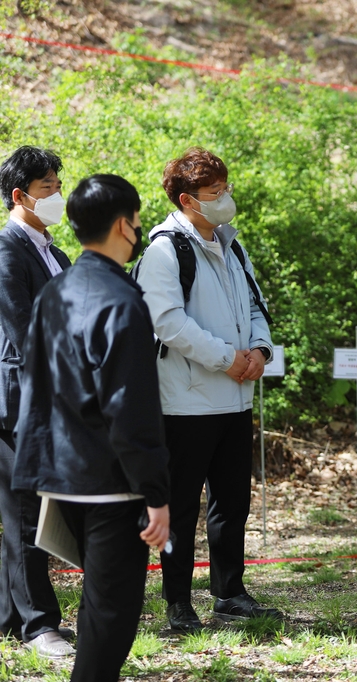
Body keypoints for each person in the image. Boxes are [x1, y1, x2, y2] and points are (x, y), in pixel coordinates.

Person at [13, 174, 171, 682]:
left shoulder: (55, 289)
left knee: (99, 608)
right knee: (111, 613)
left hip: (58, 471)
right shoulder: (122, 302)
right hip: (110, 482)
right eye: (139, 220)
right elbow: (131, 409)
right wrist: (155, 492)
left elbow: (34, 384)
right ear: (124, 225)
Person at [133, 147, 279, 633]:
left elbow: (256, 307)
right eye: (214, 193)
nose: (225, 199)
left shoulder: (233, 245)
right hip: (186, 402)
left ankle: (230, 592)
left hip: (235, 399)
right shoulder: (163, 250)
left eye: (225, 189)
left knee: (232, 501)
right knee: (179, 506)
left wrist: (259, 349)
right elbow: (168, 323)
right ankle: (178, 602)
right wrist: (228, 358)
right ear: (187, 200)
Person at [0, 146, 74, 657]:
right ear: (19, 195)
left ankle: (9, 617)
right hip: (18, 400)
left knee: (29, 510)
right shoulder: (7, 250)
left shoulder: (55, 252)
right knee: (26, 512)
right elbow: (23, 331)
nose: (57, 196)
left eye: (57, 186)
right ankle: (38, 624)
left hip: (50, 395)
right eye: (48, 188)